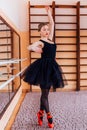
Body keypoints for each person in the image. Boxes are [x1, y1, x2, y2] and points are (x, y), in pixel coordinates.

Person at [21, 6, 66, 128]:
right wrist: (37, 49)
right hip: (43, 69)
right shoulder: (41, 41)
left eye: (47, 29)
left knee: (45, 94)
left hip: (52, 68)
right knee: (45, 94)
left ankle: (40, 113)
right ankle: (49, 116)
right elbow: (29, 47)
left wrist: (49, 13)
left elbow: (52, 23)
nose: (46, 31)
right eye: (44, 29)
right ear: (40, 32)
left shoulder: (50, 39)